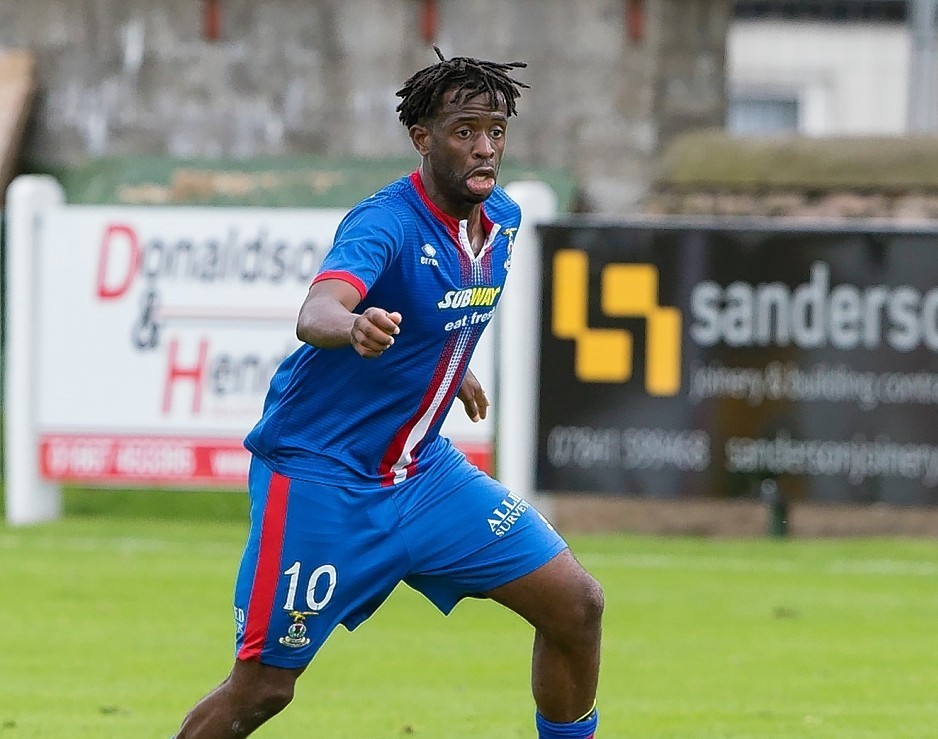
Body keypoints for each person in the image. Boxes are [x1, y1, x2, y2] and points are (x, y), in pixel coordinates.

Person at [173, 47, 603, 739]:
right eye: (465, 130)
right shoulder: (386, 223)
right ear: (422, 138)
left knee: (575, 604)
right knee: (262, 689)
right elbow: (317, 310)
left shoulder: (504, 221)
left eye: (495, 130)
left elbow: (442, 311)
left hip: (425, 478)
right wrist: (352, 326)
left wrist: (443, 367)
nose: (485, 147)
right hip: (321, 480)